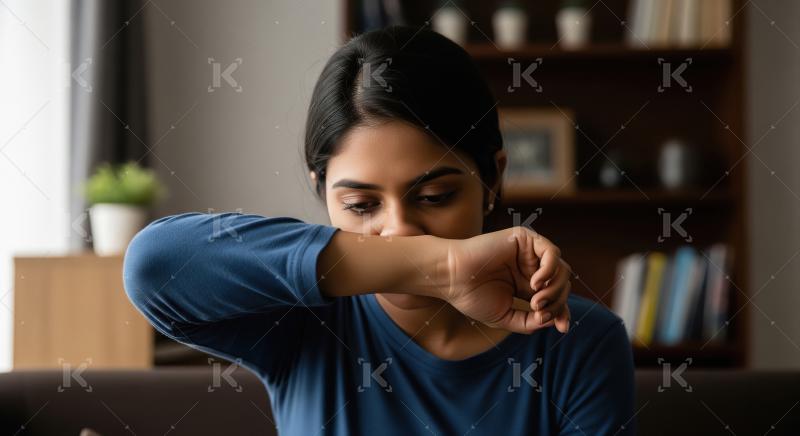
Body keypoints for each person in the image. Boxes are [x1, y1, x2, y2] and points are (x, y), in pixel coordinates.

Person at [123, 25, 634, 435]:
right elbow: (154, 264)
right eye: (361, 204)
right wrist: (444, 267)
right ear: (321, 192)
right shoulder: (302, 322)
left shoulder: (578, 344)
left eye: (435, 197)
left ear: (493, 176)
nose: (399, 231)